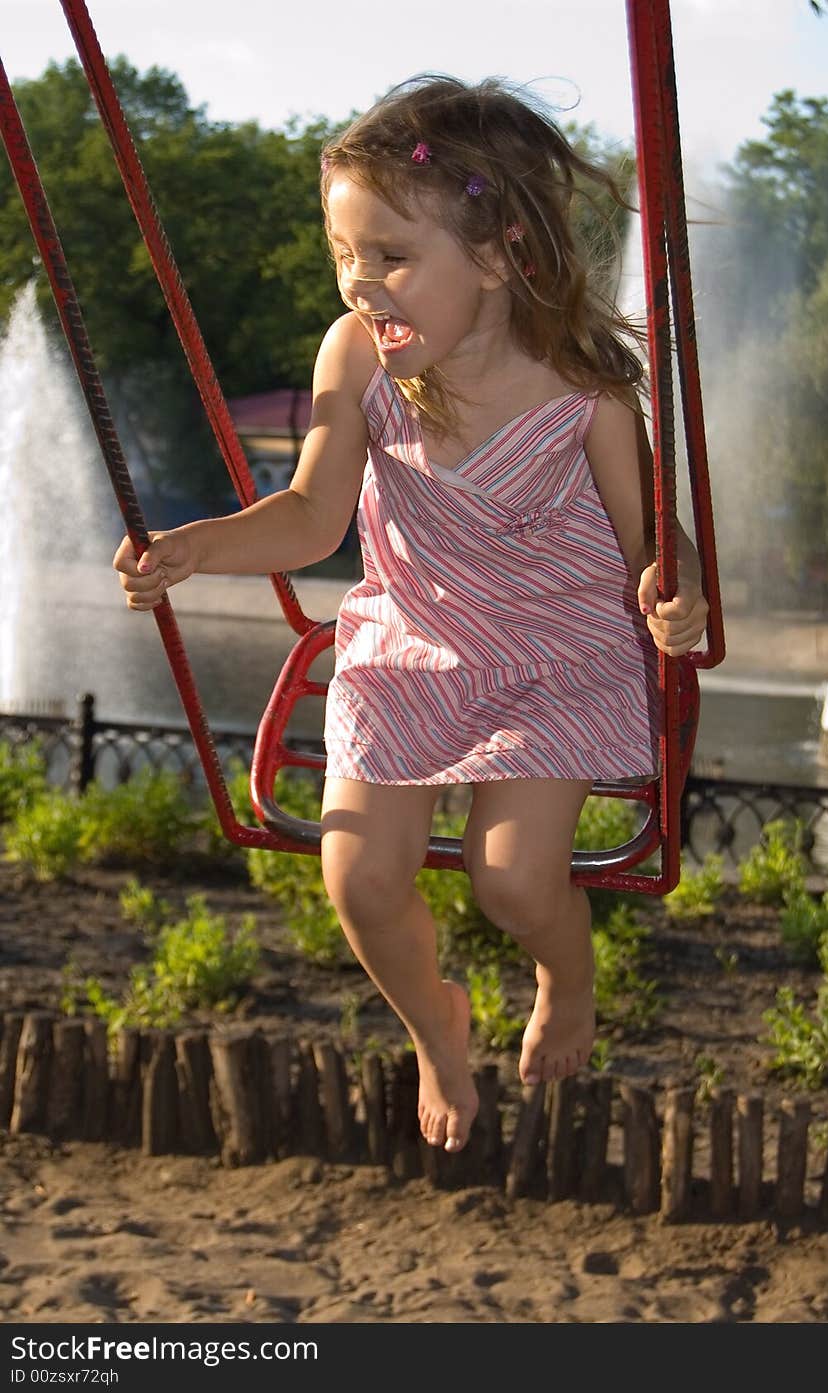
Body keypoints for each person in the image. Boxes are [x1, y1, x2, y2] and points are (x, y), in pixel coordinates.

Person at [114, 75, 709, 1155]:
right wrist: (193, 546)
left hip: (555, 656)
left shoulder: (584, 386)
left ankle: (563, 981)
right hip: (407, 641)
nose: (361, 285)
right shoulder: (358, 360)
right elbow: (308, 519)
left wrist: (678, 591)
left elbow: (647, 541)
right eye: (346, 256)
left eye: (389, 256)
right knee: (361, 876)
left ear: (494, 256)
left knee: (515, 878)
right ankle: (436, 1024)